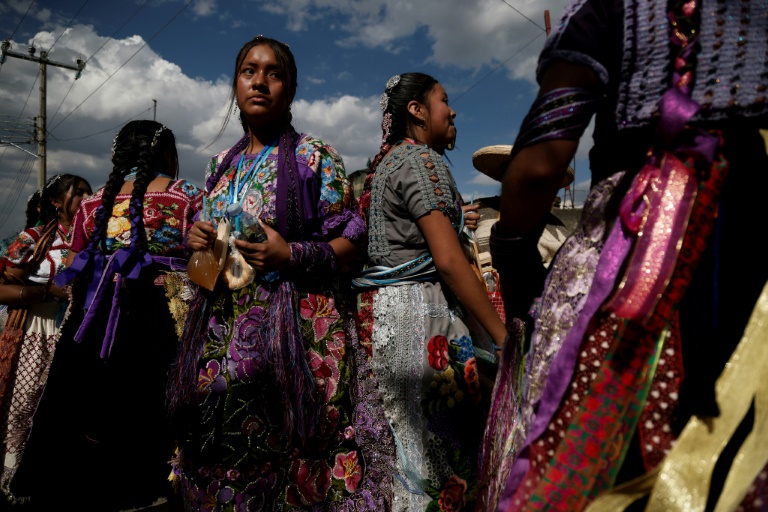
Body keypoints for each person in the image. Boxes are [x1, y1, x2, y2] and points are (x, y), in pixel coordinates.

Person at [478, 0, 768, 510]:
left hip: (632, 254)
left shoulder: (606, 10)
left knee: (609, 454)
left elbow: (541, 164)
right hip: (751, 258)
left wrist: (514, 257)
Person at [167, 36, 395, 511]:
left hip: (298, 335)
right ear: (235, 85)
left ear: (289, 91)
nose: (260, 82)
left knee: (297, 462)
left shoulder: (315, 157)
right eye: (249, 71)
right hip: (222, 334)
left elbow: (352, 245)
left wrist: (291, 254)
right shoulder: (219, 167)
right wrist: (200, 244)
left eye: (274, 74)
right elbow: (210, 268)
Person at [14, 120, 203, 511]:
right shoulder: (186, 197)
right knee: (155, 406)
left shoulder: (93, 203)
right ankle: (148, 488)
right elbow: (207, 260)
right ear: (168, 155)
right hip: (165, 313)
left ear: (119, 157)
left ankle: (81, 487)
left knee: (87, 406)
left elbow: (72, 265)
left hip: (96, 317)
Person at [353, 72, 507, 512]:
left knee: (407, 454)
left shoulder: (385, 164)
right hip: (421, 319)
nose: (452, 110)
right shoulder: (421, 160)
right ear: (417, 111)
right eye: (443, 100)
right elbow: (450, 261)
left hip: (384, 318)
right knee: (444, 461)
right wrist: (503, 339)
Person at [0, 173, 91, 504]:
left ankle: (57, 483)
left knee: (68, 409)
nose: (85, 198)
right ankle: (14, 482)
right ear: (55, 201)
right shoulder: (34, 239)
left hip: (79, 332)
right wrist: (44, 292)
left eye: (89, 193)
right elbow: (3, 286)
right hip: (37, 331)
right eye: (78, 193)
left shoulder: (93, 239)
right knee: (26, 404)